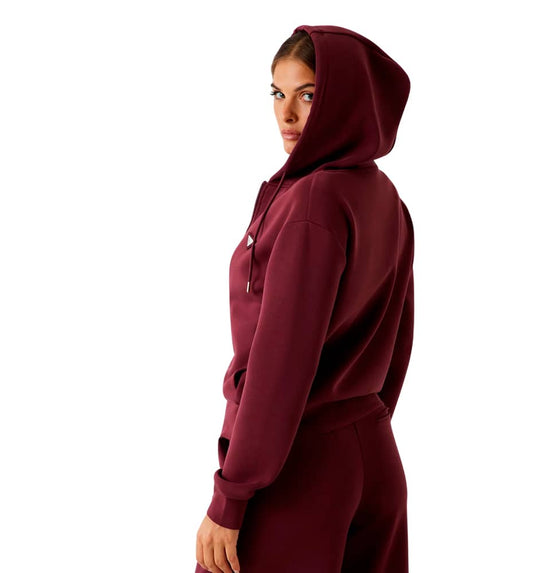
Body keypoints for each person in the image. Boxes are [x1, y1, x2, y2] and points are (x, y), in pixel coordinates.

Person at [195, 24, 414, 573]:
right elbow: (399, 339)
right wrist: (362, 423)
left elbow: (279, 365)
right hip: (374, 456)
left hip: (299, 469)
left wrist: (231, 495)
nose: (287, 115)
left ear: (345, 99)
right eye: (278, 93)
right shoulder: (386, 198)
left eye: (309, 95)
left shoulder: (312, 202)